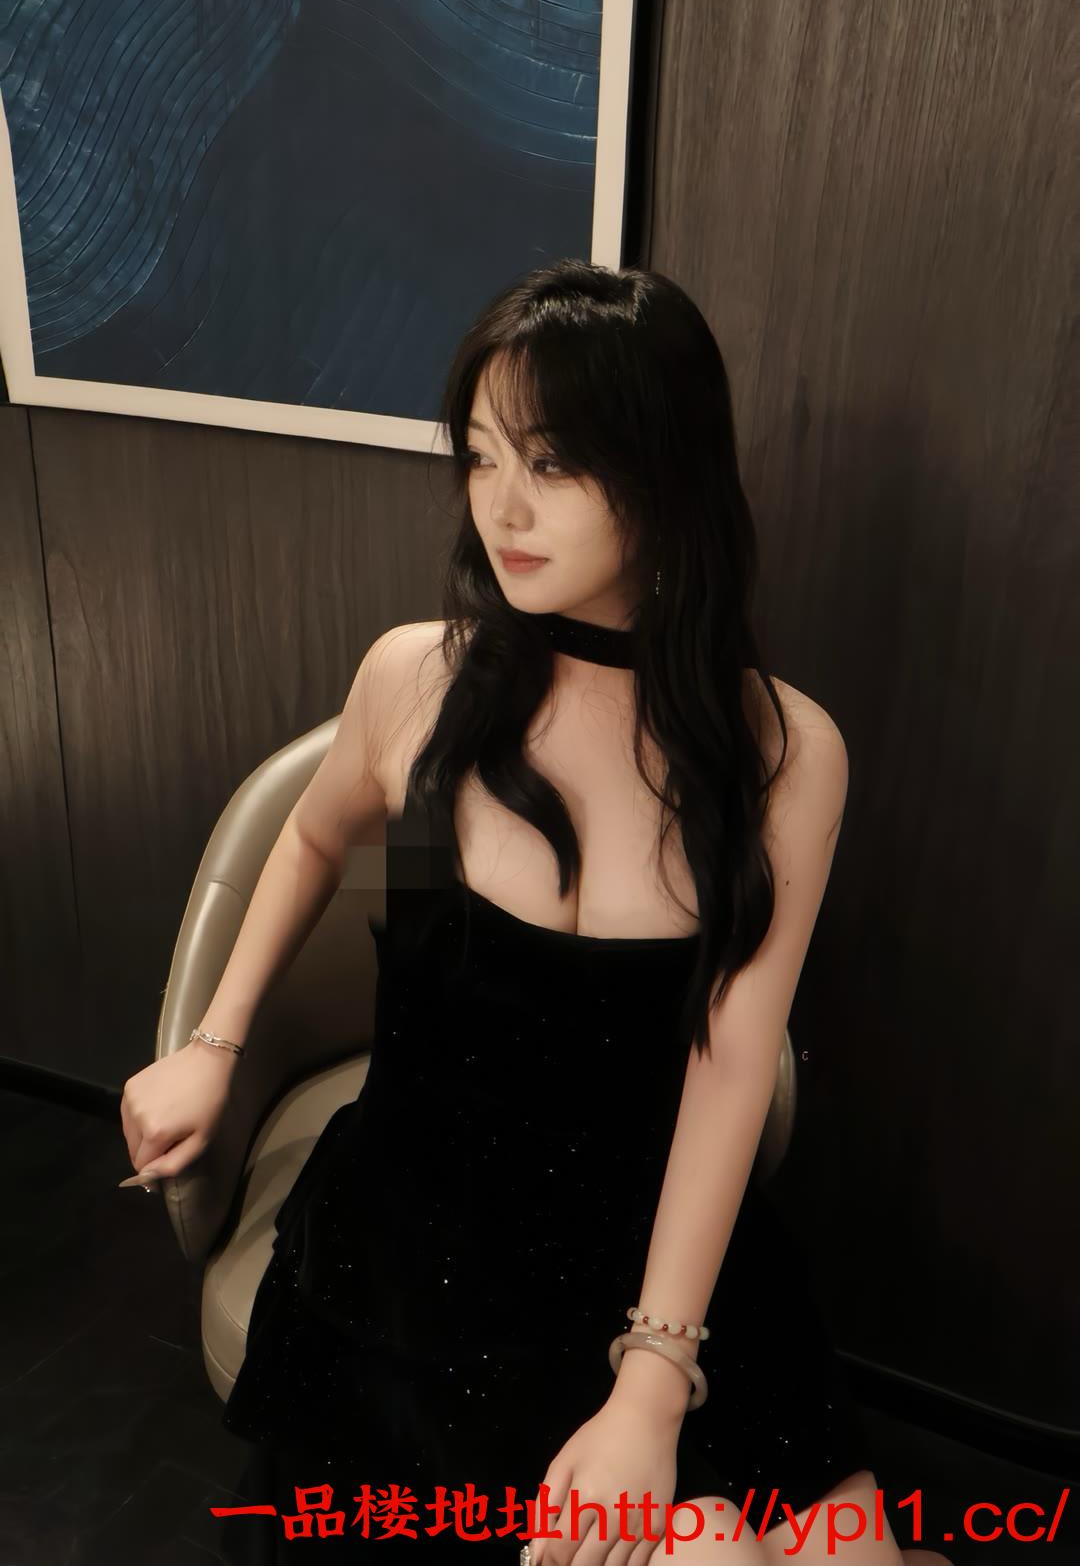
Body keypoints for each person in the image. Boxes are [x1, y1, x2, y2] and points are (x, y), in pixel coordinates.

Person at [120, 261, 952, 1565]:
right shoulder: (417, 678)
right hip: (424, 1249)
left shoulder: (786, 752)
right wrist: (214, 1044)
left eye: (551, 462)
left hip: (659, 1247)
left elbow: (732, 1059)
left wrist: (654, 1379)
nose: (500, 505)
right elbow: (314, 835)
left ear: (665, 471)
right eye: (481, 455)